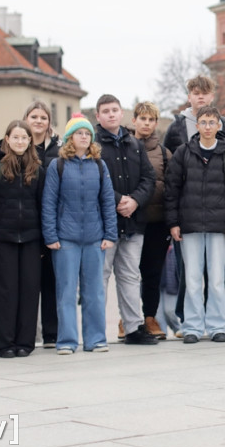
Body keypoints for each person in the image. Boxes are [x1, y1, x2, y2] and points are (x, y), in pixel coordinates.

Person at [166, 105, 225, 344]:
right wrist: (173, 222)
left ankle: (217, 325)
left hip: (220, 227)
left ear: (219, 126)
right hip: (189, 226)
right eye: (204, 122)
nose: (208, 127)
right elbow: (172, 190)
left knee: (216, 279)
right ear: (197, 125)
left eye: (213, 122)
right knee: (191, 278)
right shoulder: (184, 152)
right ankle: (192, 326)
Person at [42, 114, 117, 354]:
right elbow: (49, 202)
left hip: (95, 238)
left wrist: (110, 234)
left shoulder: (99, 165)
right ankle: (67, 341)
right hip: (66, 239)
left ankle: (95, 339)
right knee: (66, 291)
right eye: (79, 133)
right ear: (69, 138)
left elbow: (107, 201)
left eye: (87, 133)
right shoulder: (58, 165)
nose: (84, 136)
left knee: (94, 291)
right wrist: (51, 236)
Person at [0, 121, 45, 358]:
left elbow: (42, 207)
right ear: (7, 139)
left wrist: (44, 241)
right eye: (15, 137)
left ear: (29, 141)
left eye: (24, 138)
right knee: (5, 292)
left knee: (28, 291)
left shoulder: (37, 169)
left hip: (31, 240)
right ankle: (5, 344)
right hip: (2, 240)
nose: (19, 142)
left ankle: (25, 342)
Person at [94, 94, 157, 346]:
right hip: (104, 225)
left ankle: (133, 328)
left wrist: (135, 201)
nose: (111, 114)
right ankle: (96, 331)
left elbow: (149, 178)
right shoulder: (93, 144)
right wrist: (119, 199)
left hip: (133, 222)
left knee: (131, 276)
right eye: (105, 111)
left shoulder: (135, 144)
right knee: (100, 277)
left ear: (122, 114)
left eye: (115, 110)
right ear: (97, 116)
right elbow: (95, 179)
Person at [132, 102, 171, 340]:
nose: (146, 123)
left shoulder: (165, 154)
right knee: (128, 273)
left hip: (157, 223)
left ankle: (149, 317)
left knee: (153, 273)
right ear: (134, 120)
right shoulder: (125, 148)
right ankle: (128, 318)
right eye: (142, 119)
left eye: (150, 120)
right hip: (132, 222)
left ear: (156, 123)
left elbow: (171, 187)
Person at [24, 101, 61, 349]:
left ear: (49, 122)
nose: (38, 121)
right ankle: (28, 334)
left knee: (51, 280)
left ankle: (51, 334)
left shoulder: (58, 150)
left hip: (54, 224)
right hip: (27, 223)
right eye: (34, 116)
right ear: (26, 119)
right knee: (28, 283)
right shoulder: (18, 147)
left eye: (43, 117)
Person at [163, 75, 225, 154]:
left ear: (212, 97)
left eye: (205, 93)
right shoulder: (176, 126)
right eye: (196, 94)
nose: (200, 97)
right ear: (189, 97)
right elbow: (167, 157)